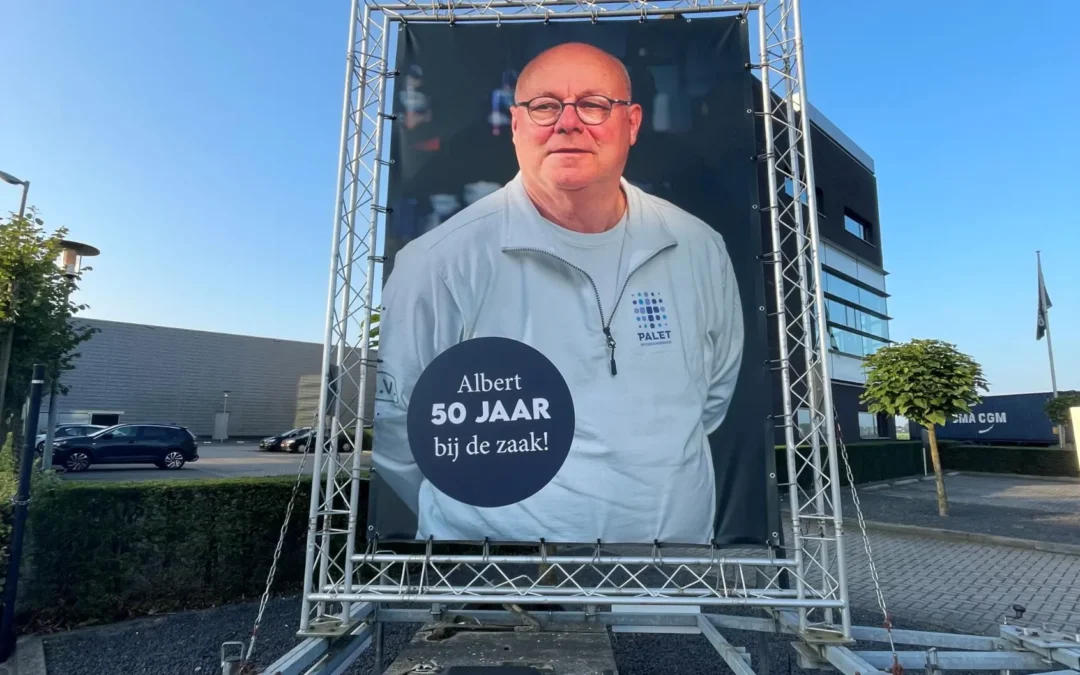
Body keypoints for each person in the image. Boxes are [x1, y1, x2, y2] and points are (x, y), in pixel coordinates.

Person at [373, 41, 745, 545]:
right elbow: (401, 431)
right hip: (496, 582)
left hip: (673, 576)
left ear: (632, 123)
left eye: (593, 104)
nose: (568, 123)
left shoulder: (698, 246)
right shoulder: (437, 262)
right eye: (545, 106)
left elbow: (713, 394)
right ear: (518, 124)